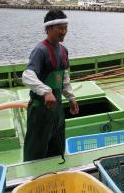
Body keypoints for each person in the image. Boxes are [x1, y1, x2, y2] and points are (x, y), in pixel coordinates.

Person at [22, 8, 79, 161]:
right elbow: (27, 75)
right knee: (36, 147)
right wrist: (46, 92)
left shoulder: (63, 50)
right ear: (48, 29)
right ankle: (32, 176)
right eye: (60, 28)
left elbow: (64, 77)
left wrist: (71, 98)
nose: (64, 32)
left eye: (65, 28)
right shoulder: (40, 50)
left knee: (57, 145)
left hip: (58, 107)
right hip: (41, 108)